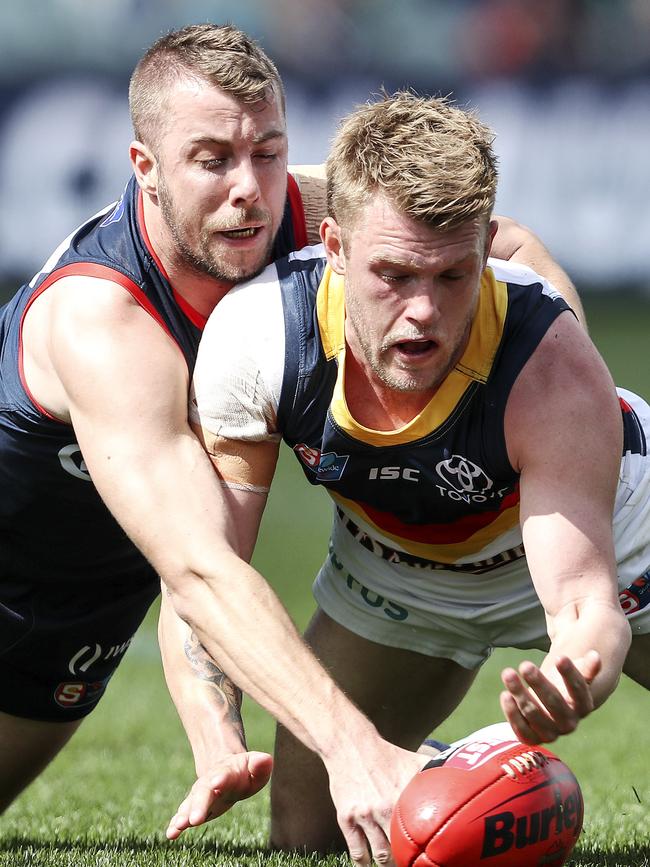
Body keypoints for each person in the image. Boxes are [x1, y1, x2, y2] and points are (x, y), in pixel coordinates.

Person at [0, 20, 578, 860]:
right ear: (144, 169)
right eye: (212, 159)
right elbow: (199, 567)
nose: (250, 189)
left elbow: (510, 247)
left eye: (267, 151)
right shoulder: (102, 320)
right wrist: (352, 747)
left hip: (97, 591)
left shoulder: (309, 213)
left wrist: (574, 402)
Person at [189, 90, 650, 857]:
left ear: (484, 252)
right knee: (307, 837)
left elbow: (585, 604)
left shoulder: (553, 362)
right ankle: (451, 775)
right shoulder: (260, 339)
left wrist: (572, 679)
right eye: (395, 274)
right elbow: (206, 572)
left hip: (627, 542)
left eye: (451, 277)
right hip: (398, 579)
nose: (423, 313)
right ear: (333, 245)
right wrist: (215, 732)